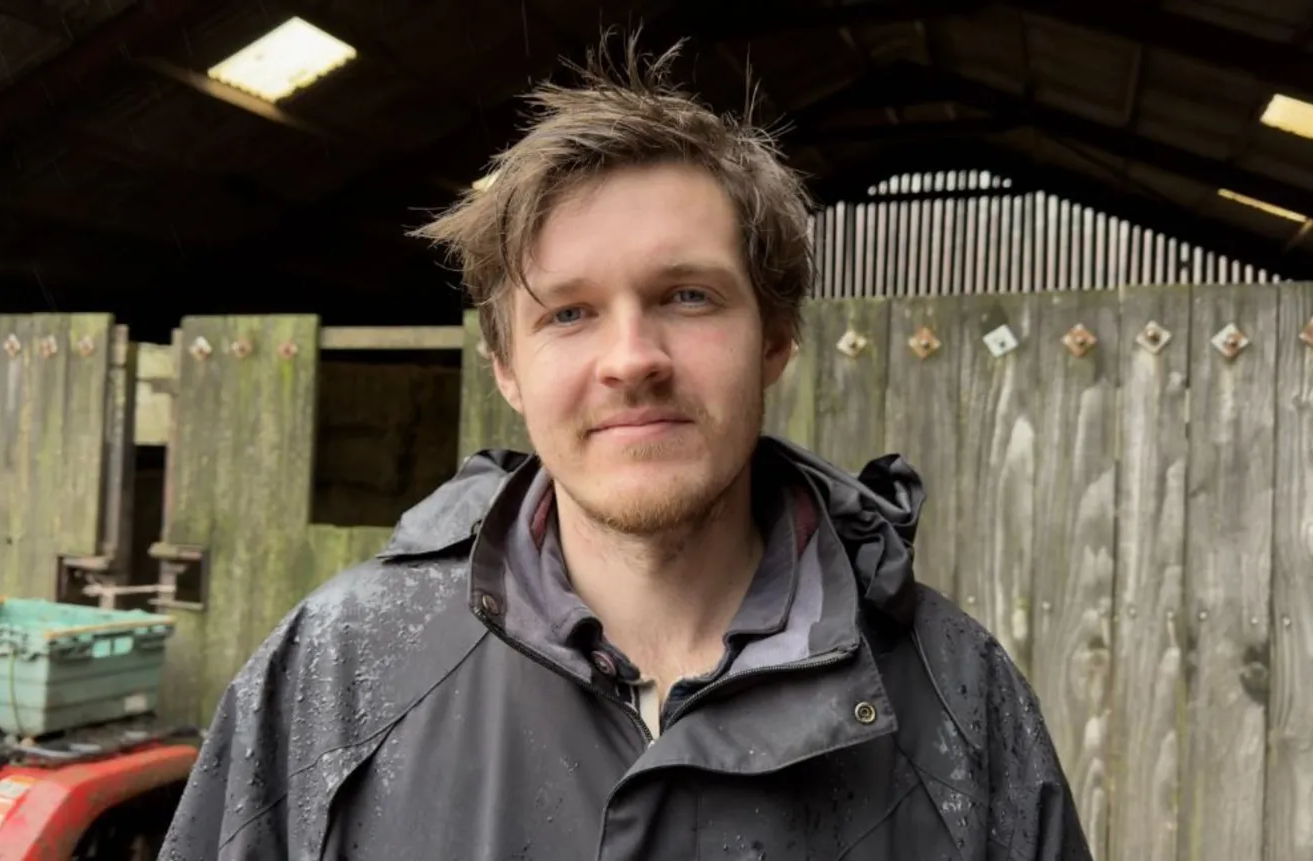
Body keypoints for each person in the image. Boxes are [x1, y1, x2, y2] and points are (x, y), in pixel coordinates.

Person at [158, 36, 1091, 861]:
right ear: (506, 367)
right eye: (569, 313)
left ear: (775, 336)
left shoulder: (958, 699)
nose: (632, 359)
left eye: (688, 296)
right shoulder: (335, 670)